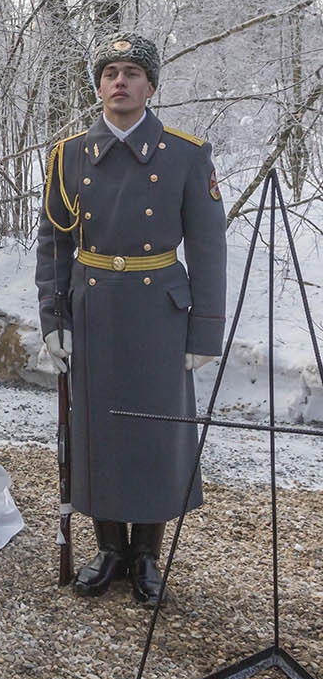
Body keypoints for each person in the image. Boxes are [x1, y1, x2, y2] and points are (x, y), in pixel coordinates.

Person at [36, 32, 227, 606]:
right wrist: (54, 317)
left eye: (132, 73)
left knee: (154, 433)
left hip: (160, 313)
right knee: (98, 429)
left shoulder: (187, 154)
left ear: (150, 86)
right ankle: (108, 548)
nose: (120, 81)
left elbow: (209, 247)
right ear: (98, 85)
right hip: (94, 307)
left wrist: (205, 330)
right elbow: (53, 246)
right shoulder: (68, 155)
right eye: (110, 71)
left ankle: (145, 553)